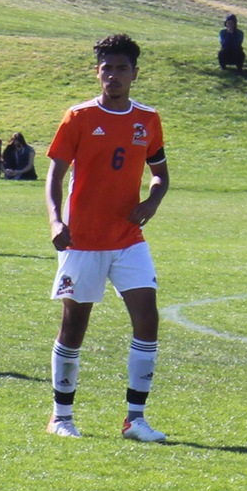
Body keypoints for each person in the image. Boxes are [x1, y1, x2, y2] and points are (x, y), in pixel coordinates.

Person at [44, 32, 169, 442]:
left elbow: (161, 175)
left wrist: (151, 202)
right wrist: (55, 222)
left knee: (148, 318)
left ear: (135, 74)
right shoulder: (78, 117)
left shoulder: (147, 119)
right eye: (106, 68)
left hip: (128, 238)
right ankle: (61, 417)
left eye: (121, 69)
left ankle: (135, 418)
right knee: (75, 324)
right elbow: (55, 175)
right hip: (82, 239)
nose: (112, 75)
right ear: (97, 72)